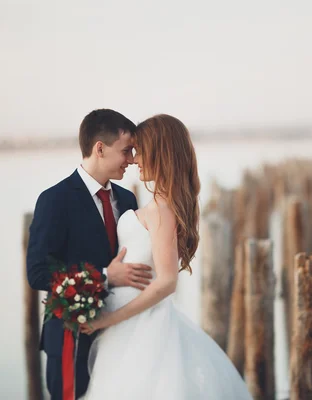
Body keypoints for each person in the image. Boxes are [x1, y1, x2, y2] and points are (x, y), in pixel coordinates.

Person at [79, 114, 253, 400]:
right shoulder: (157, 205)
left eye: (140, 151)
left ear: (161, 153)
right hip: (129, 321)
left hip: (139, 326)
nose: (134, 160)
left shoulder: (161, 210)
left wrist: (108, 320)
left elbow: (167, 282)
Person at [26, 109, 154, 400]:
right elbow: (37, 272)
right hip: (73, 334)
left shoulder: (128, 199)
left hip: (122, 334)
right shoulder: (54, 200)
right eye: (126, 150)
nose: (133, 159)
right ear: (100, 148)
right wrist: (107, 275)